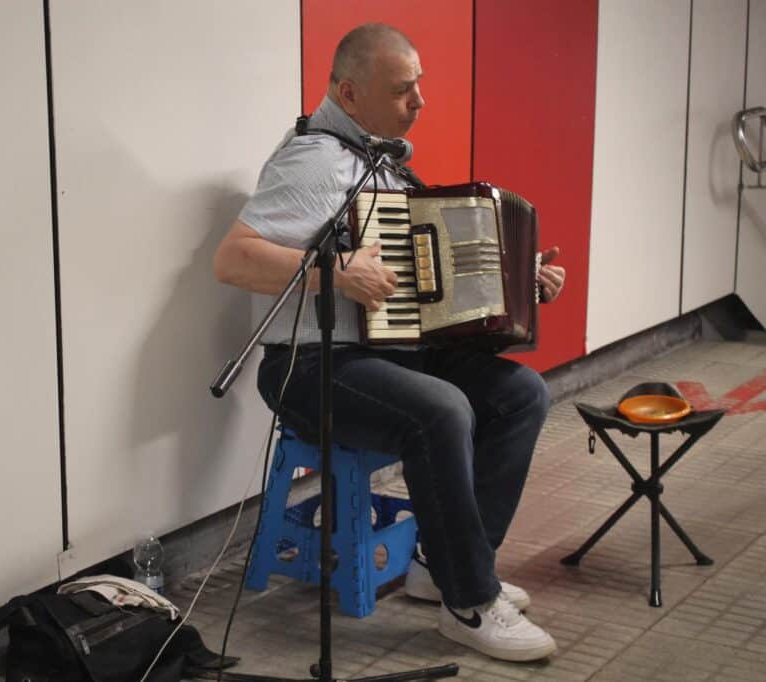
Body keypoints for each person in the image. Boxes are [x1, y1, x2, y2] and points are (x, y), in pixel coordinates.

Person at [213, 23, 566, 662]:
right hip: (312, 362)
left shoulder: (381, 161)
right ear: (350, 94)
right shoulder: (312, 160)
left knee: (520, 393)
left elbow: (430, 287)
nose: (420, 102)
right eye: (404, 90)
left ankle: (446, 568)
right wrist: (335, 274)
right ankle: (470, 605)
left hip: (388, 353)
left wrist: (518, 280)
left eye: (419, 86)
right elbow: (233, 259)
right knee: (442, 408)